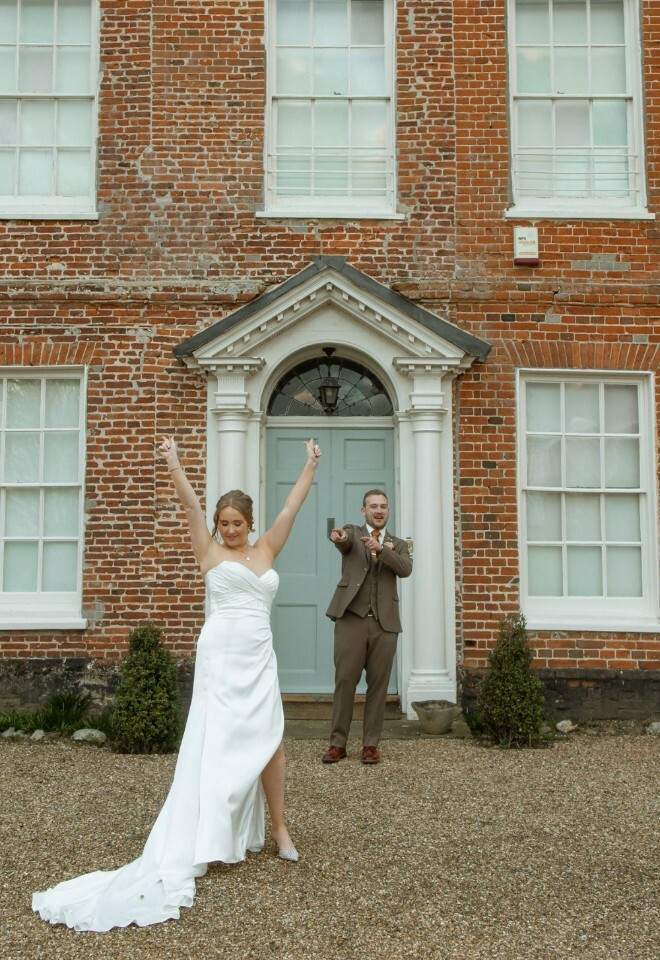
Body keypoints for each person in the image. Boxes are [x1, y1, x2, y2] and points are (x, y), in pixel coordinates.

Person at [32, 436, 322, 931]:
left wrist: (310, 465)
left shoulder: (268, 546)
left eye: (236, 524)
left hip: (259, 656)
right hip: (221, 656)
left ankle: (279, 828)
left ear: (251, 524)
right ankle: (208, 832)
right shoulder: (207, 550)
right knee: (217, 741)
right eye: (223, 523)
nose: (229, 530)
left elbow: (293, 505)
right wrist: (172, 461)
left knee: (271, 740)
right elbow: (190, 502)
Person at [323, 490, 412, 766]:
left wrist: (381, 550)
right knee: (345, 681)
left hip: (385, 623)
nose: (379, 510)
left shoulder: (399, 544)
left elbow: (405, 569)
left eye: (384, 506)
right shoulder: (354, 532)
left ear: (388, 511)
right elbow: (343, 539)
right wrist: (338, 536)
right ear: (364, 511)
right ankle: (338, 744)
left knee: (379, 686)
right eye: (373, 506)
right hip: (352, 619)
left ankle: (370, 745)